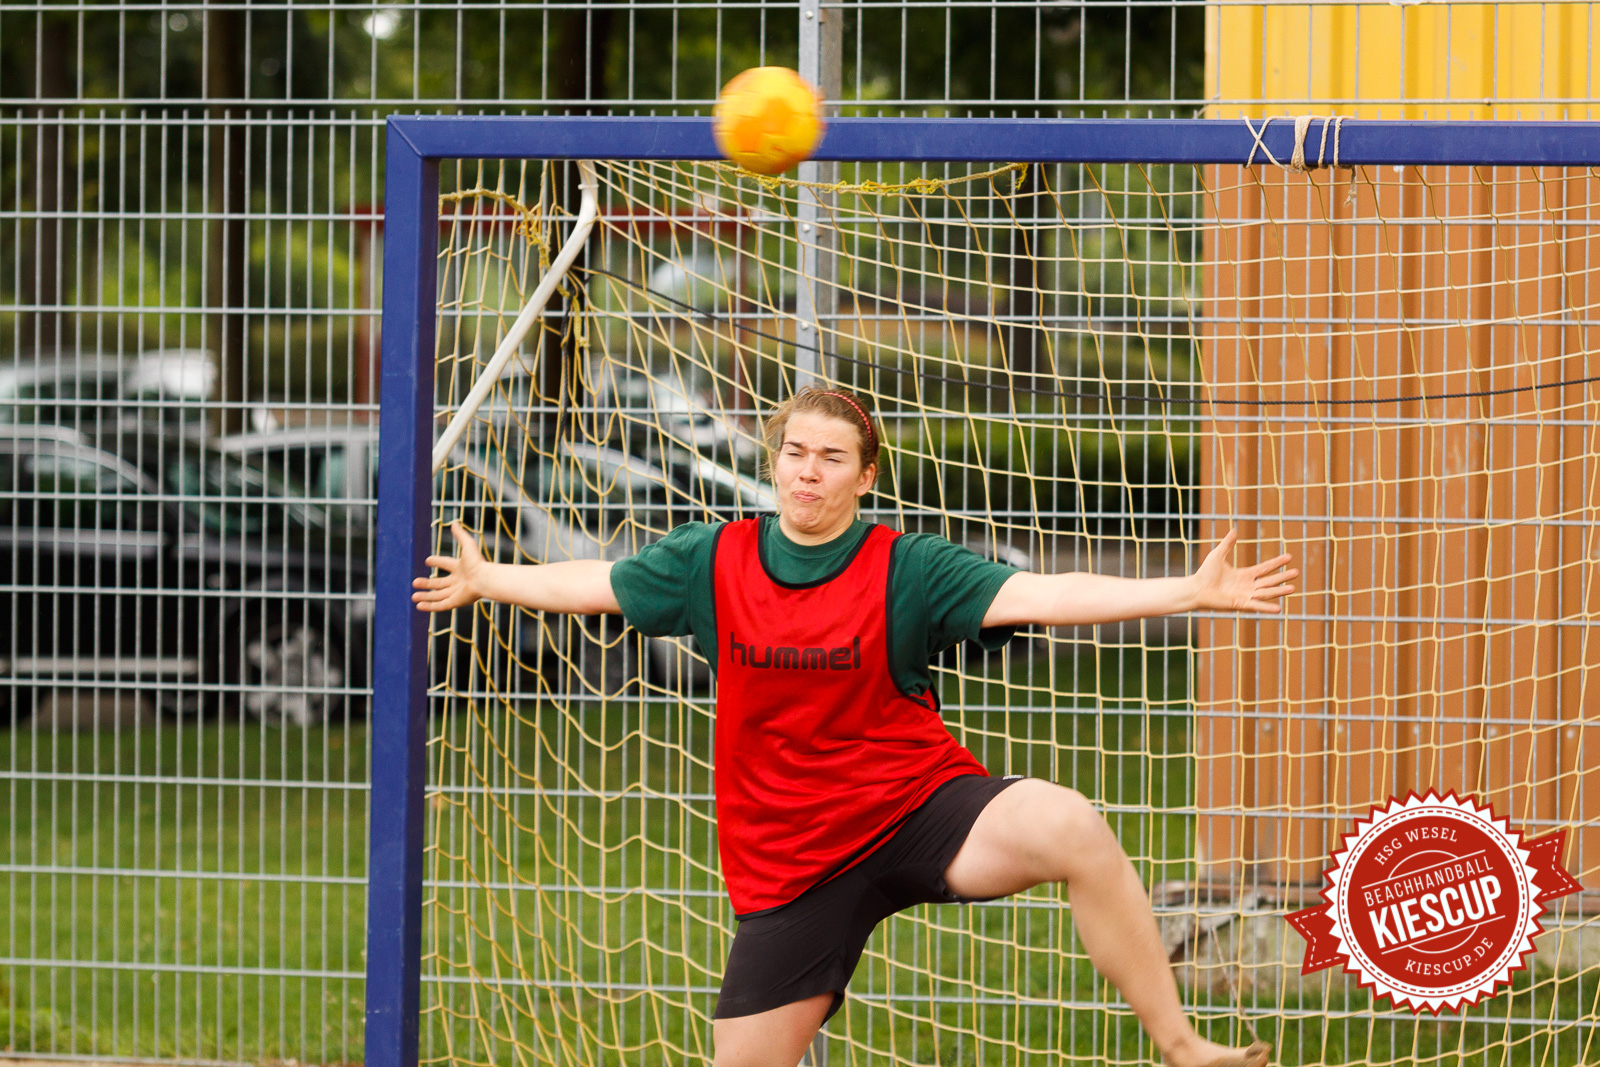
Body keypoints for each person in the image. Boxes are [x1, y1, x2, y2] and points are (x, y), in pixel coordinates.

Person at [413, 386, 1295, 1067]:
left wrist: (1185, 590)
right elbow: (599, 583)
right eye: (795, 450)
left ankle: (1183, 1045)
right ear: (775, 460)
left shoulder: (906, 566)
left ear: (864, 476)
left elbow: (1044, 594)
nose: (807, 469)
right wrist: (492, 580)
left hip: (917, 808)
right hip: (794, 863)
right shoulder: (712, 559)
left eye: (831, 456)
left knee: (1071, 822)